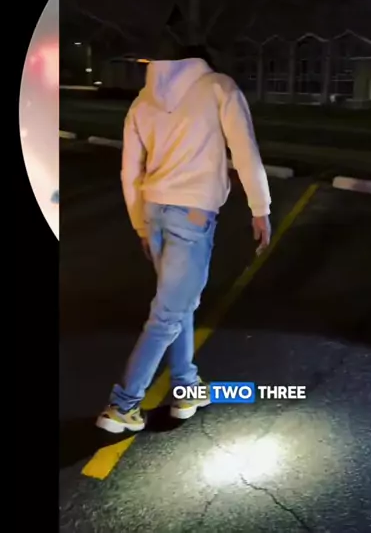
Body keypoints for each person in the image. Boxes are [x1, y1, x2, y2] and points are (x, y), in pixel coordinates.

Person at [96, 42, 271, 433]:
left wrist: (141, 225)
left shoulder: (142, 101)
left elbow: (130, 172)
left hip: (155, 211)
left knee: (179, 304)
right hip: (192, 214)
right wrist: (260, 208)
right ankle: (123, 404)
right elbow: (245, 150)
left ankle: (186, 387)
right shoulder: (218, 86)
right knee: (168, 313)